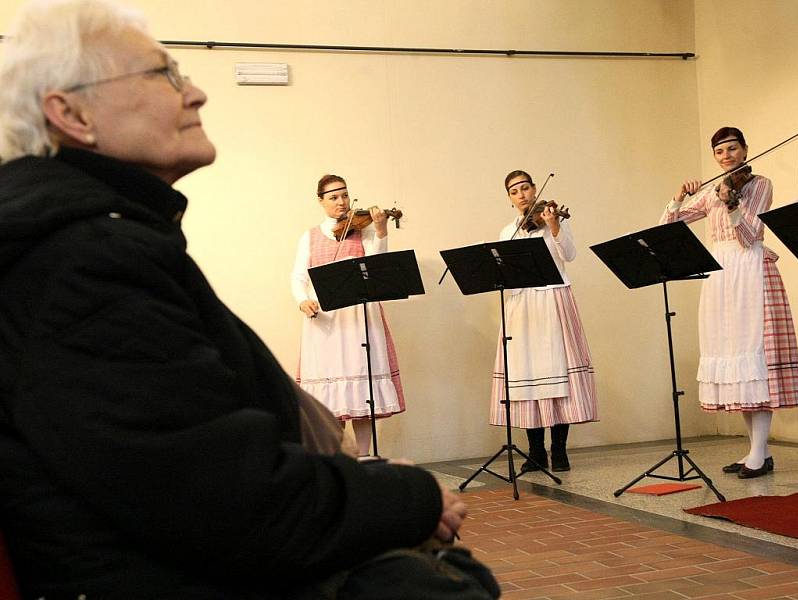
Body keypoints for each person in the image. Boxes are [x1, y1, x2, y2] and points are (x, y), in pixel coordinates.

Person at [0, 1, 475, 597]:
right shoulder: (84, 263)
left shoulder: (93, 241)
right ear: (71, 113)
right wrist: (412, 497)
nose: (195, 92)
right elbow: (225, 501)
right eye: (163, 74)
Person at [660, 126, 798, 478]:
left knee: (755, 363)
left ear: (745, 149)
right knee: (737, 366)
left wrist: (731, 202)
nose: (727, 156)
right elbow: (666, 227)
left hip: (750, 270)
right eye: (720, 152)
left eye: (733, 149)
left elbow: (750, 234)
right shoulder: (711, 192)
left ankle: (757, 452)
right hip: (720, 276)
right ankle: (758, 452)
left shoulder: (760, 184)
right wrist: (679, 197)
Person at [489, 170, 598, 472]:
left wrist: (554, 227)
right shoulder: (508, 230)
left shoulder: (555, 220)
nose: (522, 194)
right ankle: (535, 452)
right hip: (521, 305)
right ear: (510, 199)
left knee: (558, 374)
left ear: (535, 189)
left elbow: (570, 254)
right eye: (515, 191)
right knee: (527, 378)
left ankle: (559, 450)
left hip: (553, 299)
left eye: (526, 187)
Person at [291, 175, 405, 456]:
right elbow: (297, 277)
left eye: (344, 195)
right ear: (321, 201)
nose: (341, 202)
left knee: (361, 397)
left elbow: (377, 265)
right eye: (333, 197)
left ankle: (364, 458)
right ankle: (338, 460)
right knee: (330, 404)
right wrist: (303, 300)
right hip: (325, 321)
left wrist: (380, 229)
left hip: (358, 317)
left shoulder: (362, 230)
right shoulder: (310, 236)